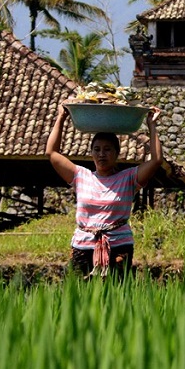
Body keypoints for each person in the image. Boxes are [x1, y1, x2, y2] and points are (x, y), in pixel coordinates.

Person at [45, 102, 163, 277]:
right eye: (97, 149)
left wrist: (152, 125)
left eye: (107, 150)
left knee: (115, 296)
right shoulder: (80, 176)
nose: (102, 154)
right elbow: (52, 153)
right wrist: (61, 118)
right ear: (91, 153)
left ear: (117, 153)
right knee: (79, 297)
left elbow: (156, 161)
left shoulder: (128, 178)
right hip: (83, 246)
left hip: (118, 247)